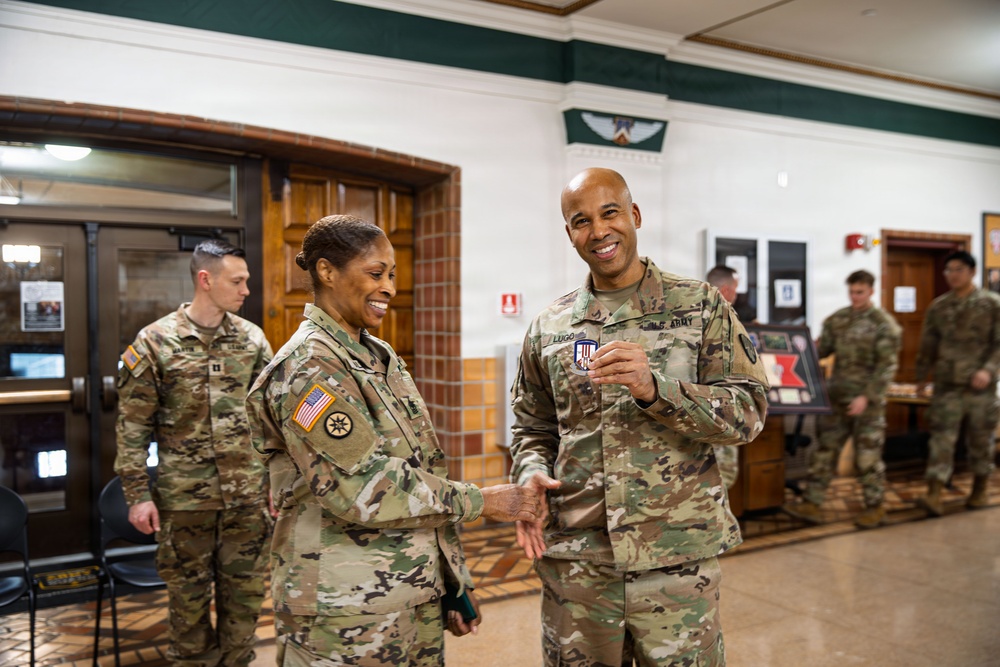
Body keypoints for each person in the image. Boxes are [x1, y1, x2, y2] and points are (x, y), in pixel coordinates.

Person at [245, 215, 541, 666]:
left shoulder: (376, 354)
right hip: (343, 612)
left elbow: (420, 473)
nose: (389, 288)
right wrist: (483, 500)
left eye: (392, 275)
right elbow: (366, 488)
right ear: (327, 272)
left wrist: (451, 581)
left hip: (409, 594)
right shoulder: (309, 369)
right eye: (375, 273)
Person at [510, 168, 769, 666]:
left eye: (610, 213)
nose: (599, 231)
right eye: (581, 221)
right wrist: (529, 473)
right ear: (570, 234)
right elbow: (532, 425)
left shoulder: (699, 307)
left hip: (676, 564)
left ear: (634, 215)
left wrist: (657, 390)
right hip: (579, 565)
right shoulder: (551, 326)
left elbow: (749, 413)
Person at [115, 239, 274, 666]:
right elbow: (133, 426)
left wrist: (278, 481)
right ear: (206, 280)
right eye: (237, 281)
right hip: (186, 501)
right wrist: (137, 494)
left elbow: (271, 419)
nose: (245, 291)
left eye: (246, 282)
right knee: (188, 608)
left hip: (247, 499)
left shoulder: (252, 339)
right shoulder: (155, 341)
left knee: (244, 602)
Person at [782, 270, 901, 529]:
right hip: (836, 398)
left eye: (860, 292)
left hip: (867, 404)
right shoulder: (838, 320)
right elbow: (821, 351)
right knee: (825, 452)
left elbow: (886, 368)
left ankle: (875, 506)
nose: (855, 296)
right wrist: (804, 346)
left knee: (867, 457)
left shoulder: (884, 325)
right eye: (852, 292)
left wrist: (866, 397)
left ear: (871, 291)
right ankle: (812, 503)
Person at [915, 250, 1000, 516]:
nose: (952, 275)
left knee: (980, 439)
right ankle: (935, 493)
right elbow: (928, 344)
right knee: (941, 439)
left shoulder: (992, 304)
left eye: (958, 270)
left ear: (972, 272)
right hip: (947, 385)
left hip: (980, 388)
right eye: (948, 270)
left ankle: (980, 487)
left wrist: (988, 370)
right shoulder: (939, 306)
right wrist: (920, 377)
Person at [706, 264, 741, 490]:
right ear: (727, 291)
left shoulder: (689, 314)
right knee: (722, 477)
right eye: (735, 289)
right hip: (720, 411)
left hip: (690, 413)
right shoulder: (726, 321)